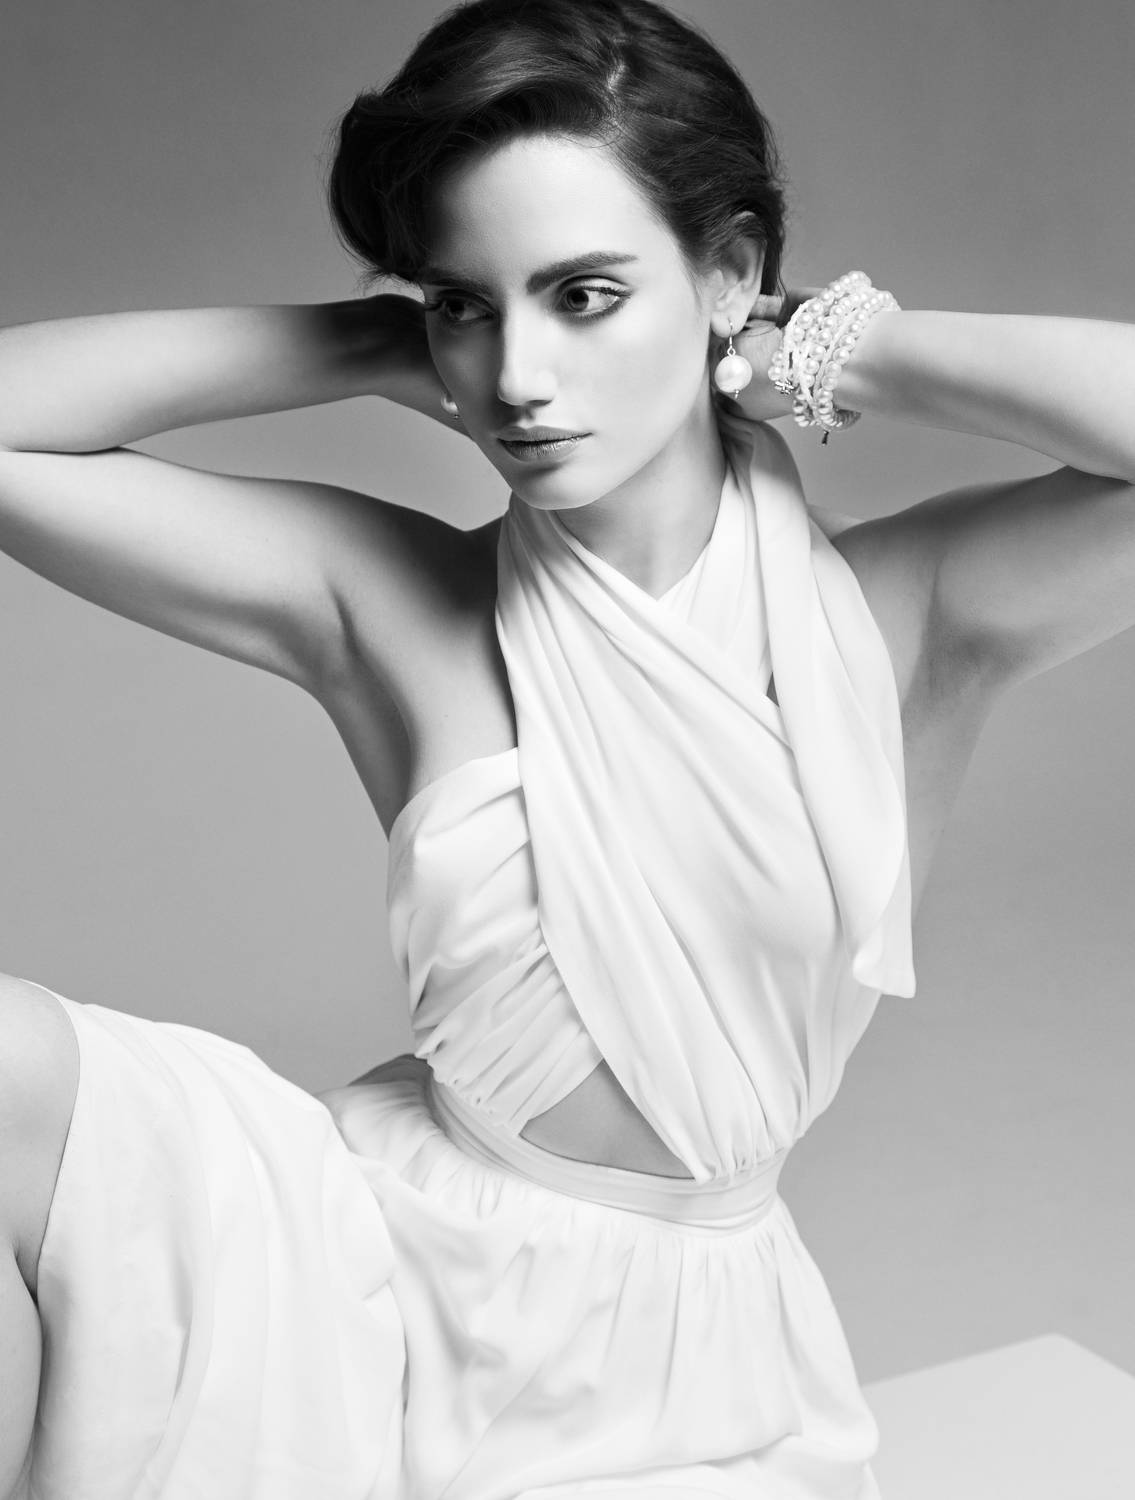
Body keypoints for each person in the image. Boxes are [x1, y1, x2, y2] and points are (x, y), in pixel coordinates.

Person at [1, 0, 1133, 1495]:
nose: (518, 376)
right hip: (366, 1286)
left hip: (696, 1357)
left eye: (585, 296)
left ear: (726, 271)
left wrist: (839, 348)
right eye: (466, 306)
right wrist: (369, 341)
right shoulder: (392, 603)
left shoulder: (903, 616)